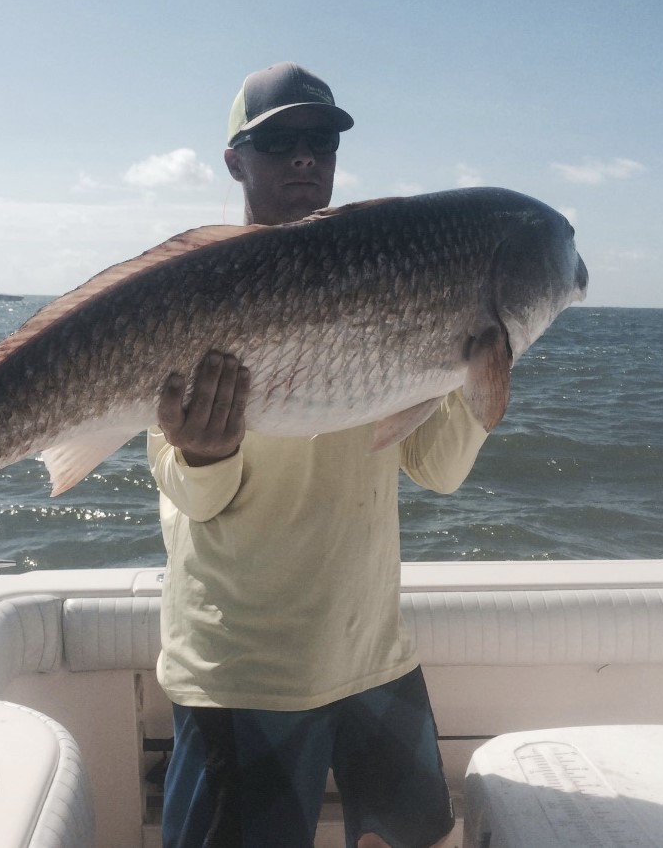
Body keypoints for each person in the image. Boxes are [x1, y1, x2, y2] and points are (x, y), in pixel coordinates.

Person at [147, 62, 491, 848]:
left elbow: (436, 467)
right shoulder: (189, 294)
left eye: (321, 141)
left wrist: (482, 373)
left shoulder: (399, 290)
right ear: (236, 160)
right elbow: (189, 500)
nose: (306, 157)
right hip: (243, 673)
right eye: (279, 142)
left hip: (375, 656)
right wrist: (205, 454)